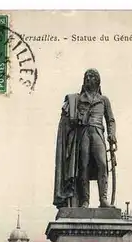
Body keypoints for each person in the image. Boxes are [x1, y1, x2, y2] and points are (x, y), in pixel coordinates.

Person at [53, 68, 117, 209]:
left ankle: (103, 199)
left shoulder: (103, 100)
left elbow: (110, 119)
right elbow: (69, 119)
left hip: (98, 132)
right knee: (83, 167)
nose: (89, 79)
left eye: (92, 77)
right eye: (86, 77)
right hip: (83, 135)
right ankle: (85, 201)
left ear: (97, 80)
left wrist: (112, 134)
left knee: (102, 165)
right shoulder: (78, 99)